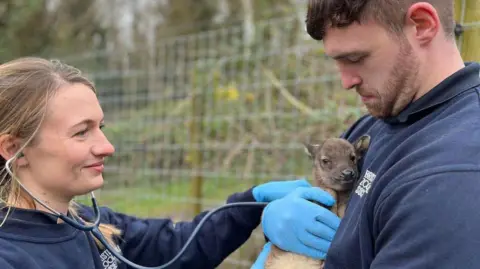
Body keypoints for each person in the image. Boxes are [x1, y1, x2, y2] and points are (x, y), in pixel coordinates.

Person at [0, 57, 339, 269]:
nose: (107, 147)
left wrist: (251, 203)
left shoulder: (94, 227)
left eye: (100, 128)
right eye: (81, 133)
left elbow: (178, 247)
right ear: (16, 148)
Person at [253, 0, 480, 268]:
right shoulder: (373, 124)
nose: (346, 82)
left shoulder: (454, 172)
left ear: (421, 25)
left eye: (355, 58)